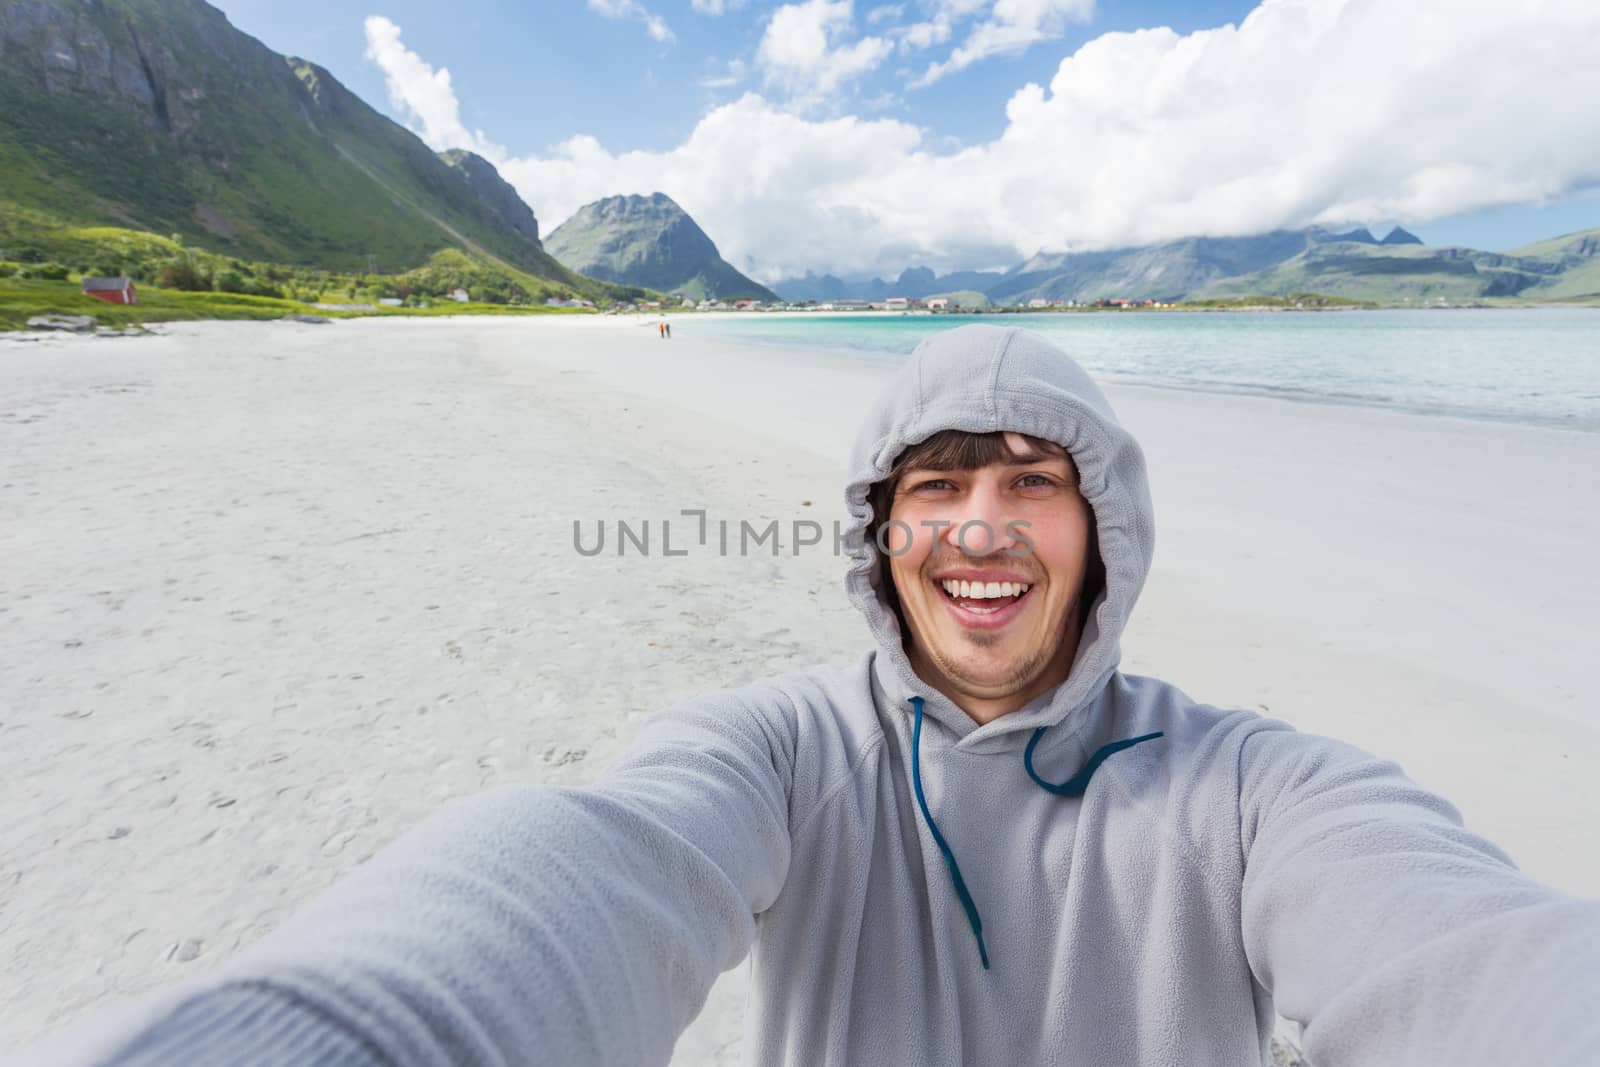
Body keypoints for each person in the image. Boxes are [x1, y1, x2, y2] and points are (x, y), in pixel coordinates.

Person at [17, 326, 1600, 1066]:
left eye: (1033, 482)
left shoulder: (1254, 788)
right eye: (938, 484)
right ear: (878, 527)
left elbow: (1470, 953)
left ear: (1104, 527)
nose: (980, 524)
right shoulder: (781, 752)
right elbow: (573, 873)